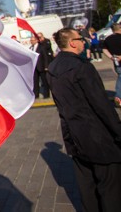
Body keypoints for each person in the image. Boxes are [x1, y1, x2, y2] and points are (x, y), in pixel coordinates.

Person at [47, 28, 121, 211]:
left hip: (73, 135)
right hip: (98, 136)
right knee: (110, 186)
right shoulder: (82, 67)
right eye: (80, 39)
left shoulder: (53, 68)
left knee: (86, 184)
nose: (84, 41)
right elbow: (101, 105)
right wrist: (117, 131)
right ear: (72, 43)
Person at [102, 23, 121, 106]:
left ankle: (118, 97)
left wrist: (111, 57)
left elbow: (104, 49)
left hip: (116, 61)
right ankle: (118, 96)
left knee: (120, 77)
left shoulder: (108, 39)